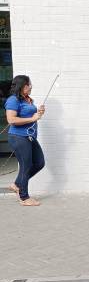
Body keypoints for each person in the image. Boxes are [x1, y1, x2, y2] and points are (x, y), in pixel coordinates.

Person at [4, 75, 46, 206]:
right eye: (28, 85)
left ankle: (17, 184)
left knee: (39, 163)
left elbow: (31, 115)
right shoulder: (13, 100)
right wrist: (33, 118)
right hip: (18, 137)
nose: (31, 87)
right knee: (26, 166)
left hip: (30, 137)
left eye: (30, 84)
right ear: (21, 86)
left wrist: (39, 113)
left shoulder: (28, 100)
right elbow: (11, 120)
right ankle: (24, 197)